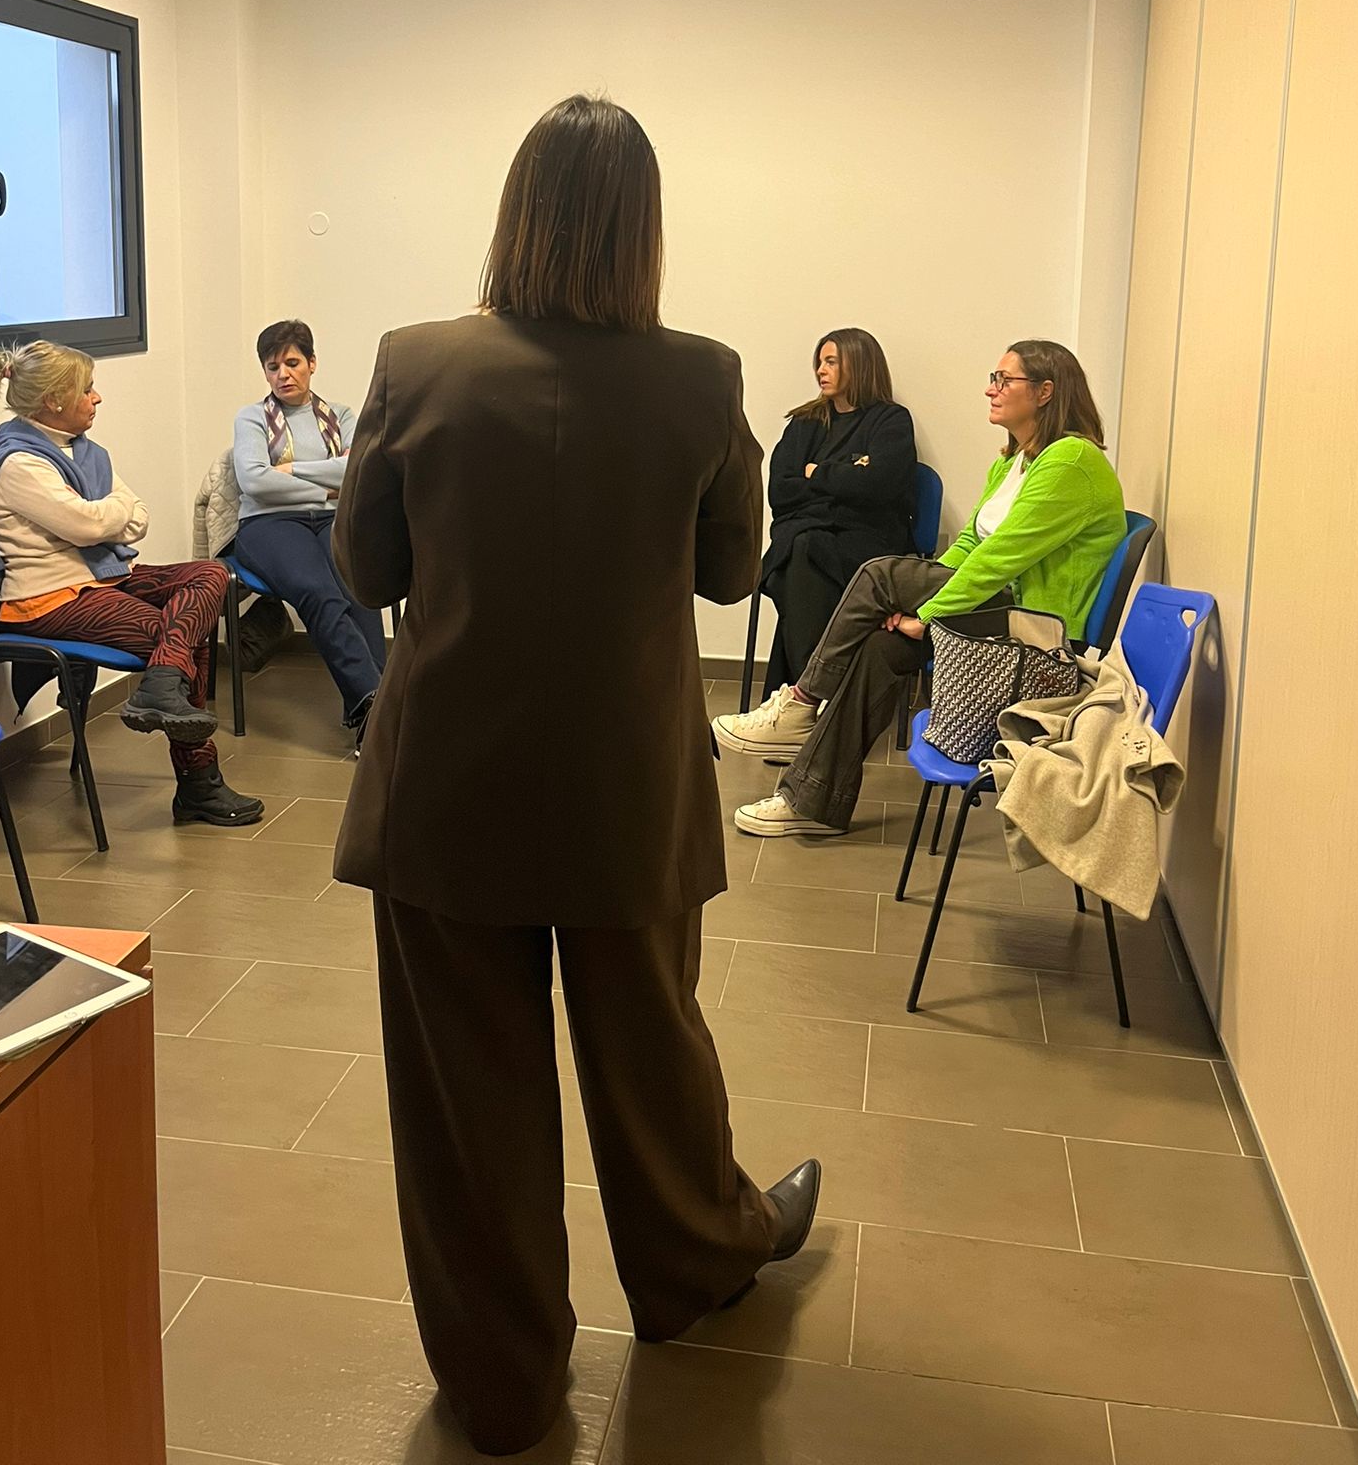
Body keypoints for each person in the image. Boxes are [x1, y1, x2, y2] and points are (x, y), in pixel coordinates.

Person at [330, 96, 820, 1456]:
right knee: (655, 1041)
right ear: (643, 229)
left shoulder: (413, 362)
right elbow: (731, 570)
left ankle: (502, 1384)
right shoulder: (704, 377)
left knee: (464, 1093)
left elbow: (366, 567)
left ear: (514, 213)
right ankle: (699, 1259)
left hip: (445, 785)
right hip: (628, 783)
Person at [713, 340, 1126, 838]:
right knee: (880, 647)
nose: (990, 390)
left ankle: (802, 701)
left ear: (1045, 392)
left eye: (1004, 380)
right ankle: (812, 802)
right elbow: (971, 543)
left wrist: (927, 612)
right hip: (996, 616)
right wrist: (916, 598)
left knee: (880, 574)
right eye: (993, 379)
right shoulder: (1014, 461)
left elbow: (998, 560)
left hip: (1035, 636)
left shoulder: (1071, 460)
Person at [0, 341, 263, 828]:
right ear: (53, 401)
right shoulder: (19, 464)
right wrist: (110, 513)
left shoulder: (84, 452)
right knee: (180, 640)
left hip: (103, 578)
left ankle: (161, 691)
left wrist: (104, 515)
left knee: (212, 573)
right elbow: (91, 525)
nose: (97, 398)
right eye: (87, 390)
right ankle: (198, 782)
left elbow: (137, 518)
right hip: (47, 600)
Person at [232, 320, 386, 734]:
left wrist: (292, 469)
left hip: (332, 518)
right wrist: (326, 487)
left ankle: (376, 708)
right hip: (268, 523)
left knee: (359, 588)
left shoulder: (341, 415)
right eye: (272, 367)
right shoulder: (252, 418)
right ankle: (376, 710)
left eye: (292, 363)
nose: (283, 374)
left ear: (312, 363)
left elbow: (358, 470)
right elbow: (254, 482)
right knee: (319, 592)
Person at [759, 329, 917, 692]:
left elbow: (879, 487)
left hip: (866, 539)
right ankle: (817, 692)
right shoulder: (805, 422)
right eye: (819, 362)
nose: (820, 370)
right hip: (803, 534)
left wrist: (816, 473)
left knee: (801, 561)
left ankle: (800, 695)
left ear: (858, 364)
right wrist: (848, 472)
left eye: (831, 361)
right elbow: (780, 492)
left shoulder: (890, 421)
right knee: (802, 549)